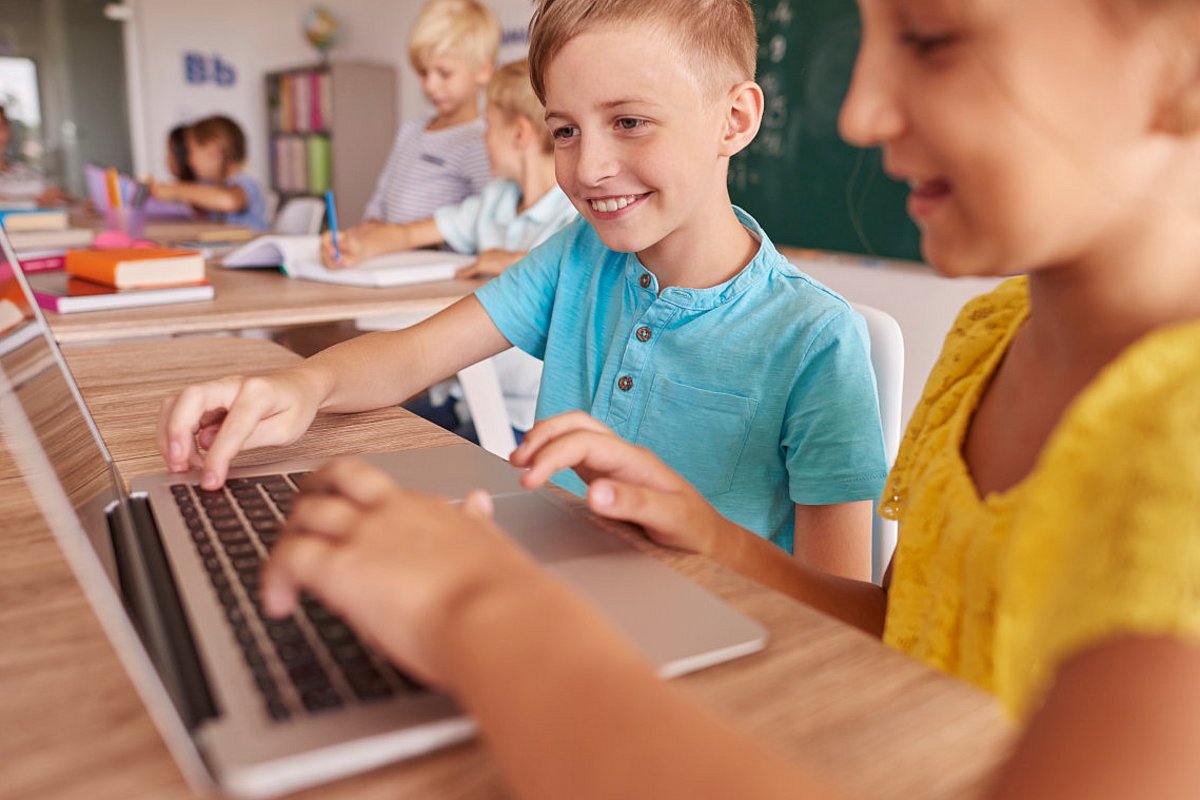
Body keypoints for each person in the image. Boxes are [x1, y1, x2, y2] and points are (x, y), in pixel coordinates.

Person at [254, 0, 1200, 797]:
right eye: (565, 130)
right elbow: (904, 631)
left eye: (932, 36)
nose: (860, 114)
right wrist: (714, 537)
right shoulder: (992, 338)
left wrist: (479, 611)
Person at [157, 0, 888, 577]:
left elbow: (843, 608)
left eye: (629, 122)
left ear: (736, 120)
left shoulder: (814, 339)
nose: (590, 166)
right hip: (548, 585)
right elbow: (413, 357)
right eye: (564, 131)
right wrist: (304, 388)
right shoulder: (577, 256)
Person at [321, 58, 578, 440]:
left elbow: (575, 270)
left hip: (524, 415)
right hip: (464, 391)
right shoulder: (495, 199)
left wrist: (509, 261)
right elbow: (411, 234)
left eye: (487, 126)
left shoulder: (570, 209)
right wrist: (361, 244)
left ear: (520, 134)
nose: (481, 138)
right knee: (367, 438)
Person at [357, 0, 499, 227]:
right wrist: (370, 226)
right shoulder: (411, 130)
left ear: (483, 71)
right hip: (388, 256)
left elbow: (482, 221)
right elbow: (381, 194)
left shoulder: (481, 142)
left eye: (444, 73)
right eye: (423, 72)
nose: (430, 85)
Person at [148, 115, 269, 230]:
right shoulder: (215, 186)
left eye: (192, 152)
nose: (189, 160)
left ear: (213, 152)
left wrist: (175, 190)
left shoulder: (246, 183)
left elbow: (230, 201)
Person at [0, 105, 69, 207]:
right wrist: (34, 200)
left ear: (8, 130)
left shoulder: (21, 169)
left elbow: (59, 194)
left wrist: (74, 202)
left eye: (1, 127)